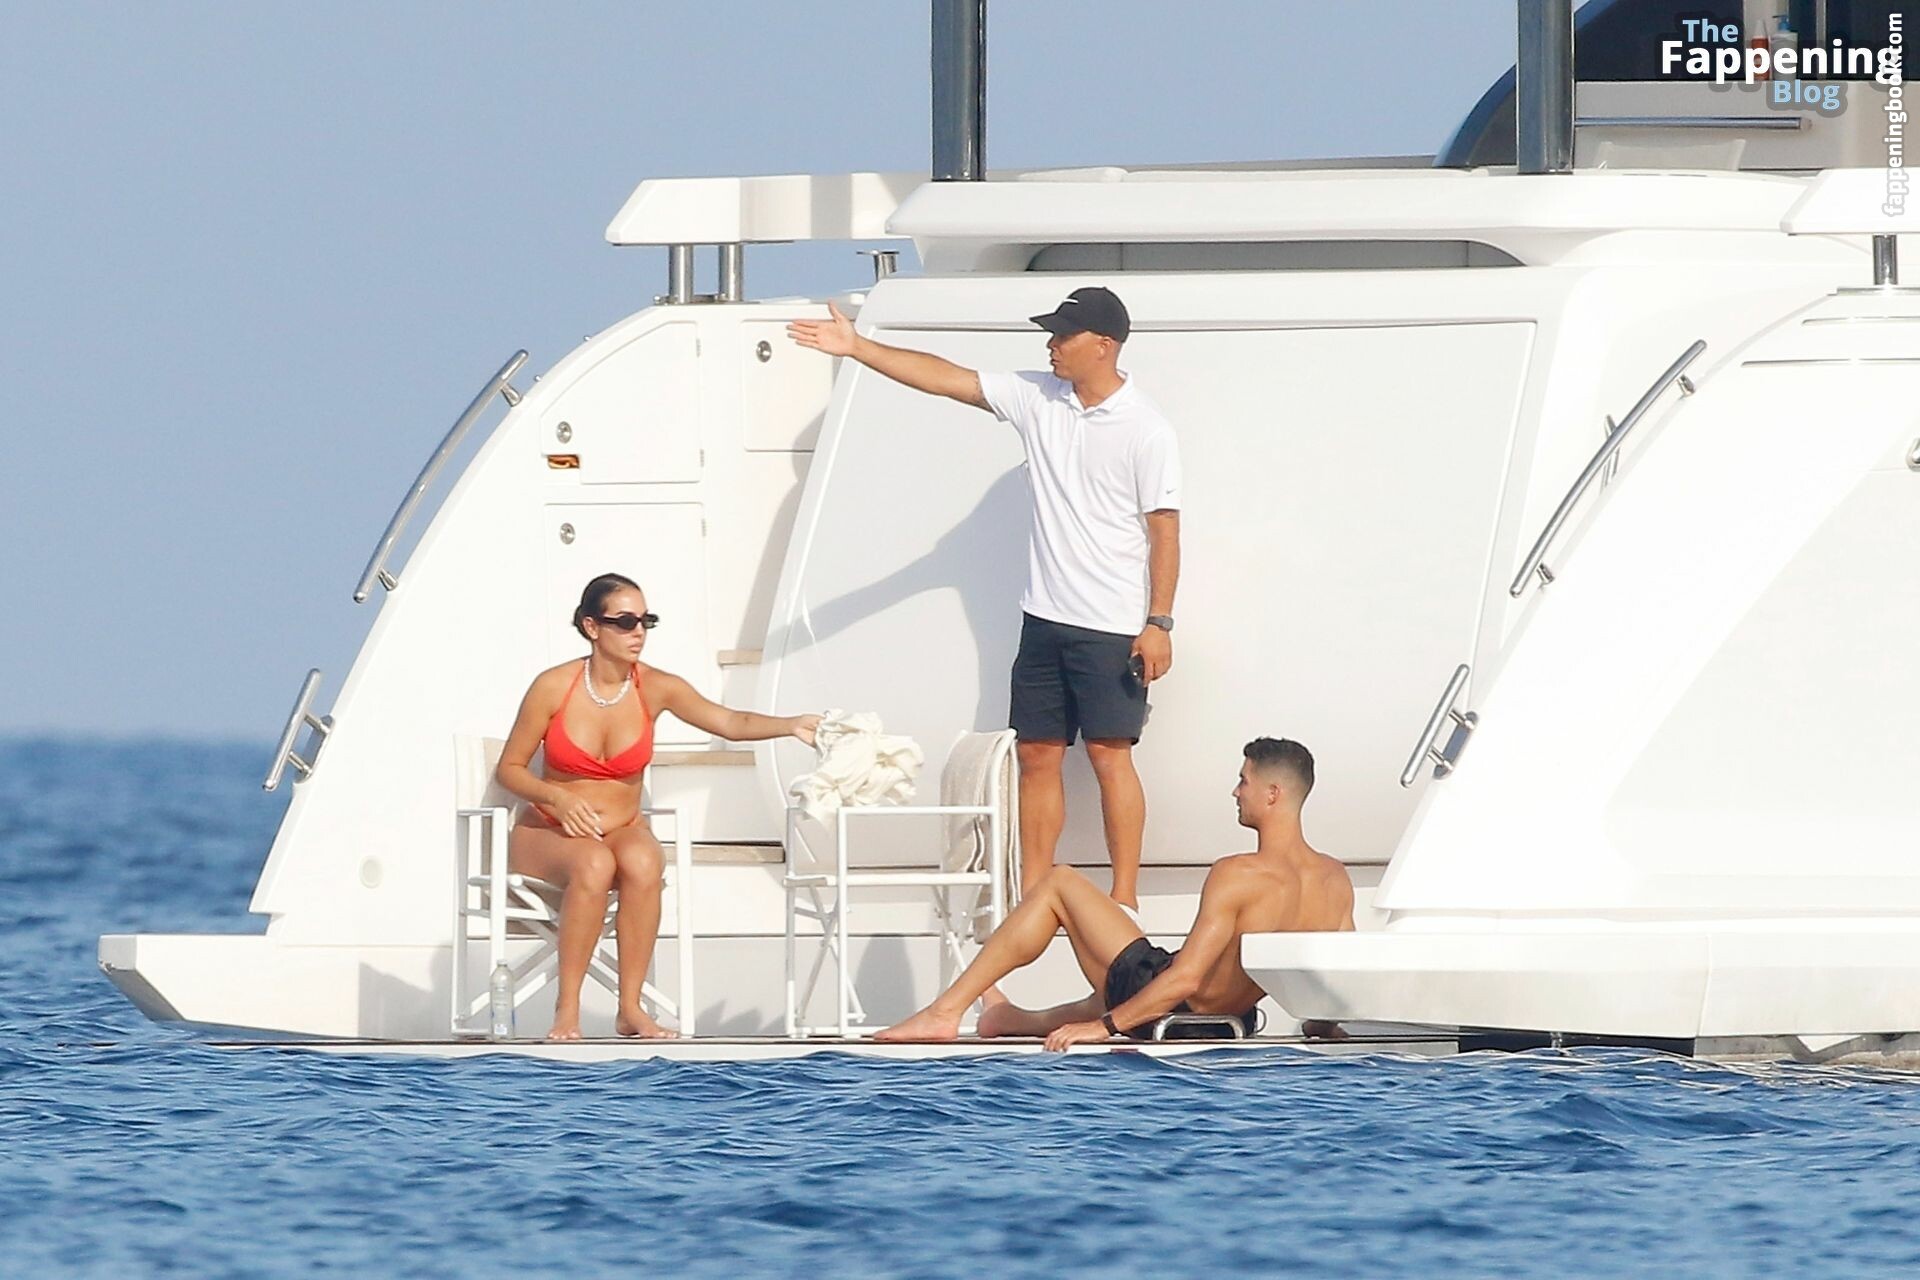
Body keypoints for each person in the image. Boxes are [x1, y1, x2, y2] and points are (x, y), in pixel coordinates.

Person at [788, 286, 1179, 914]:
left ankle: (1125, 896)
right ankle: (1034, 894)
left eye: (1065, 335)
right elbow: (948, 380)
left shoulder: (1146, 428)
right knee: (1037, 755)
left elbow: (1164, 529)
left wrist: (1158, 622)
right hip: (1044, 619)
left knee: (1110, 755)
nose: (1051, 345)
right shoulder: (1038, 396)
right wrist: (857, 348)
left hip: (1111, 624)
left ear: (1104, 346)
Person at [495, 573, 820, 1041]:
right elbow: (509, 769)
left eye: (646, 621)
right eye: (625, 622)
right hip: (548, 833)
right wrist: (557, 797)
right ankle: (567, 1010)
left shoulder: (656, 687)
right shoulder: (553, 687)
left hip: (621, 828)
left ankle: (630, 1008)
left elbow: (730, 722)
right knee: (593, 862)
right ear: (591, 627)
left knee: (644, 858)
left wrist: (791, 725)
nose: (638, 633)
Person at [875, 737, 1352, 1048]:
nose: (1235, 792)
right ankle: (1008, 1019)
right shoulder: (1335, 880)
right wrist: (1324, 1028)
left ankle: (945, 1011)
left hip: (1174, 1011)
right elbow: (1337, 978)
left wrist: (1101, 1029)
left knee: (1060, 883)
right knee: (1118, 983)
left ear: (1272, 794)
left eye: (1243, 781)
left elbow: (1185, 980)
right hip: (1233, 1020)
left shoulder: (1238, 873)